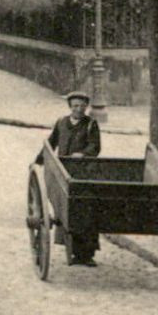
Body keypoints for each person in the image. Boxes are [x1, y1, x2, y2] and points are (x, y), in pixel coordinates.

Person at [34, 90, 103, 265]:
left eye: (81, 106)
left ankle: (86, 255)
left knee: (84, 209)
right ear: (70, 107)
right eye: (75, 106)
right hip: (63, 171)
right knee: (65, 208)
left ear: (86, 107)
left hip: (83, 172)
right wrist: (39, 160)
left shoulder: (91, 125)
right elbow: (51, 143)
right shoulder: (61, 123)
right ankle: (71, 250)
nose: (78, 109)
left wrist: (83, 154)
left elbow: (95, 146)